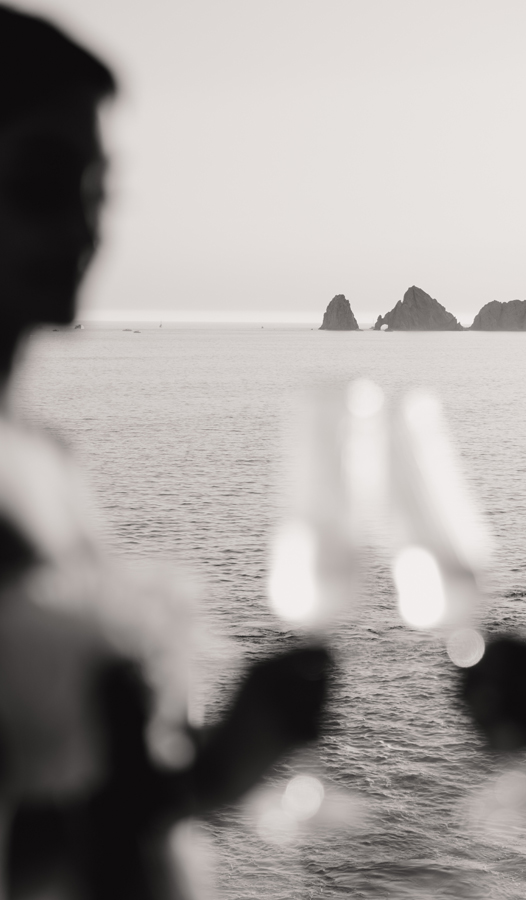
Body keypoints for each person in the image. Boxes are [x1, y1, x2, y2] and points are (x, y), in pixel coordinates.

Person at [0, 6, 331, 898]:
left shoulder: (43, 458)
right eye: (40, 182)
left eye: (97, 189)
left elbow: (89, 805)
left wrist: (225, 763)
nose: (83, 226)